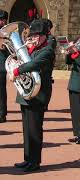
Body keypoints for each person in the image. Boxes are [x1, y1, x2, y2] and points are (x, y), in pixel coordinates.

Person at [11, 20, 55, 172]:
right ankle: (27, 158)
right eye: (33, 35)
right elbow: (23, 61)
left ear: (44, 36)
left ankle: (35, 162)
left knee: (35, 129)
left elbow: (34, 64)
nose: (33, 38)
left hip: (38, 94)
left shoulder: (47, 50)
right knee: (26, 129)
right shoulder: (33, 49)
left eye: (37, 36)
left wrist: (17, 71)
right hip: (27, 92)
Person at [0, 9, 8, 123]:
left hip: (1, 65)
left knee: (0, 91)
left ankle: (1, 114)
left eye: (3, 20)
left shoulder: (8, 32)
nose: (1, 22)